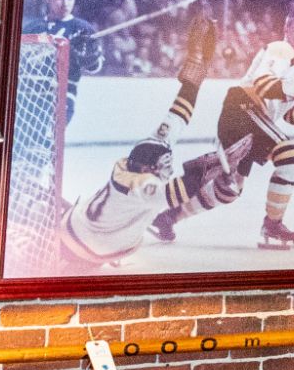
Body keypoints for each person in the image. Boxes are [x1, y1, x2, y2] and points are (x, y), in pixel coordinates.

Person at [150, 10, 294, 251]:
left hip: (252, 118)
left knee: (229, 190)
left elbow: (290, 117)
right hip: (243, 108)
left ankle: (167, 218)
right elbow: (263, 85)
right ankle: (272, 225)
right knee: (292, 155)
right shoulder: (281, 50)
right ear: (286, 31)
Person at [57, 17, 239, 267]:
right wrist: (214, 167)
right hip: (91, 248)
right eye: (164, 165)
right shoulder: (143, 185)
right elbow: (182, 189)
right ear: (147, 170)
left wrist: (197, 70)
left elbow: (179, 113)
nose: (168, 167)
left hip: (74, 224)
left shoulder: (146, 153)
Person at [24, 0, 104, 123]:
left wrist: (88, 59)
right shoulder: (33, 27)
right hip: (32, 93)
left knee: (52, 136)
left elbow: (96, 67)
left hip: (64, 91)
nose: (65, 3)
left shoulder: (83, 29)